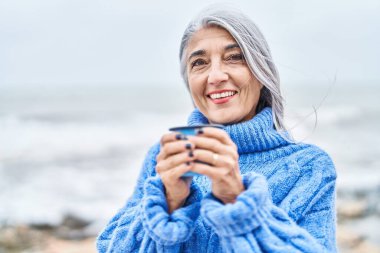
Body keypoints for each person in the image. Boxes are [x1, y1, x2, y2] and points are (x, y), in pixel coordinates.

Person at [97, 6, 337, 253]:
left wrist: (238, 202)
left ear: (261, 73)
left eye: (234, 57)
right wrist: (168, 202)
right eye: (199, 63)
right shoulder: (163, 157)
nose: (215, 76)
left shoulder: (309, 167)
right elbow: (109, 247)